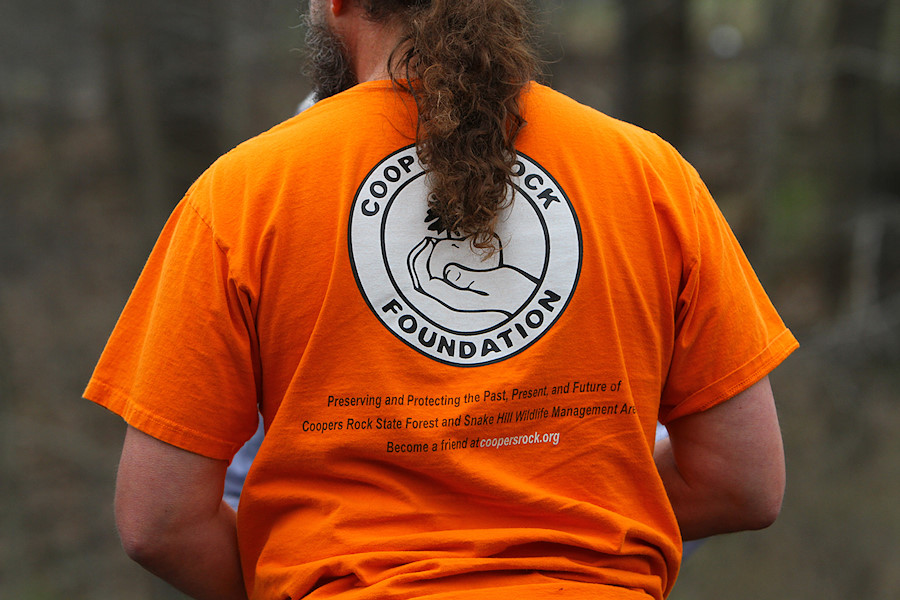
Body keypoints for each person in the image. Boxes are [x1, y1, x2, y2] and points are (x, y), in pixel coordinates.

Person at [84, 1, 798, 599]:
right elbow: (744, 481)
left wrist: (305, 572)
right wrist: (571, 529)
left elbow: (159, 520)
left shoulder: (245, 192)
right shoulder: (650, 175)